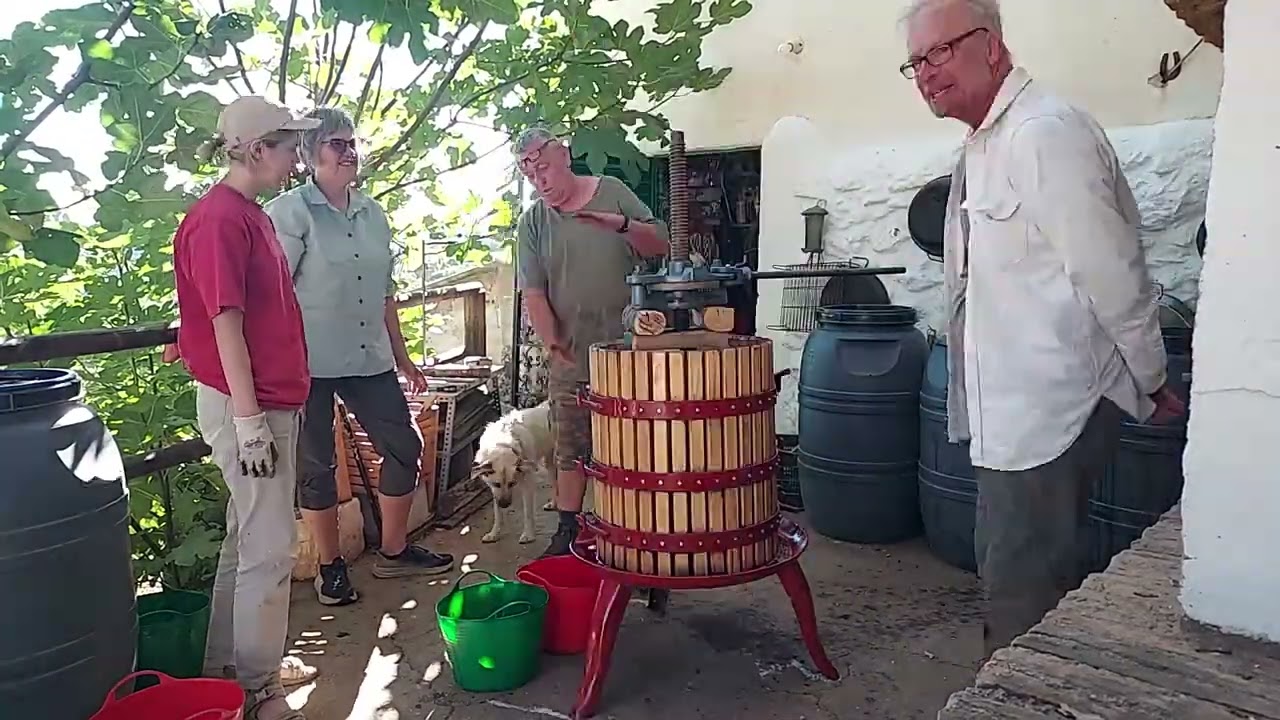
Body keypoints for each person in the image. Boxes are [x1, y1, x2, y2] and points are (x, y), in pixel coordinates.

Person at [899, 0, 1186, 658]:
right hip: (1013, 414)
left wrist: (1150, 375)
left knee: (1022, 582)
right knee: (1012, 566)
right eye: (916, 62)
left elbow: (1110, 268)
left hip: (1048, 413)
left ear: (992, 46)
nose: (927, 72)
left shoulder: (1043, 132)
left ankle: (1019, 693)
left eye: (940, 51)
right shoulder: (987, 140)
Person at [265, 107, 456, 607]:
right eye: (337, 144)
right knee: (317, 466)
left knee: (404, 447)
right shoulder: (290, 212)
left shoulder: (373, 214)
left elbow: (384, 293)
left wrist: (403, 357)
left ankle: (394, 550)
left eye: (352, 143)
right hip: (307, 364)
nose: (349, 152)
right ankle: (331, 568)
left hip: (369, 356)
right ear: (311, 154)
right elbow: (272, 292)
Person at [175, 95, 320, 720]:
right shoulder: (220, 219)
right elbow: (224, 323)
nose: (297, 160)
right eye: (289, 148)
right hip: (252, 405)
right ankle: (259, 690)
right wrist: (249, 420)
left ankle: (229, 671)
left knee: (247, 539)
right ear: (258, 150)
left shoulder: (244, 213)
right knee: (270, 547)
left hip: (261, 399)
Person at [514, 126, 670, 557]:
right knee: (570, 446)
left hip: (632, 354)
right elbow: (534, 292)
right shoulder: (533, 222)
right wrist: (553, 346)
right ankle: (567, 532)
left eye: (545, 169)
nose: (540, 181)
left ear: (564, 156)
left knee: (635, 448)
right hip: (572, 354)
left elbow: (660, 244)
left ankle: (640, 536)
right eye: (531, 176)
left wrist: (621, 225)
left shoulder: (613, 192)